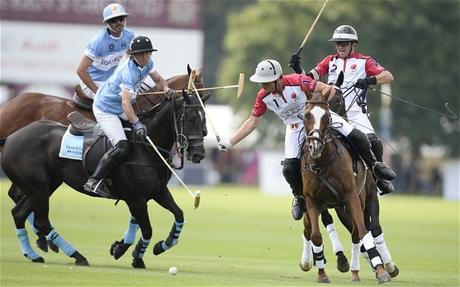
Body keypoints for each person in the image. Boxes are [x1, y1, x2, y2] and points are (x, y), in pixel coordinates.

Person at [218, 59, 395, 220]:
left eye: (266, 82)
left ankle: (375, 167)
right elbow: (251, 123)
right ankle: (299, 197)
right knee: (289, 168)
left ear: (278, 78)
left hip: (316, 118)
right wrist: (230, 142)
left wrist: (330, 95)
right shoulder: (263, 97)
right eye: (261, 83)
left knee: (358, 136)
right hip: (294, 127)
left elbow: (325, 89)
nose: (263, 86)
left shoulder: (298, 81)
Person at [289, 24, 396, 195]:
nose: (340, 47)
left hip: (355, 113)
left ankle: (378, 177)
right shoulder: (329, 61)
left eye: (344, 43)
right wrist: (297, 69)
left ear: (353, 44)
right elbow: (308, 80)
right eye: (338, 43)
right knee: (302, 143)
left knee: (373, 141)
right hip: (329, 111)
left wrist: (369, 80)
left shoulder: (364, 61)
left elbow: (388, 76)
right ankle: (300, 193)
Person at [83, 35, 174, 197]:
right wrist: (137, 123)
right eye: (141, 54)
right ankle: (94, 180)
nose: (146, 57)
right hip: (106, 108)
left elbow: (159, 79)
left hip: (120, 105)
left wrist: (166, 88)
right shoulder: (128, 72)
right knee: (122, 145)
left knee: (144, 130)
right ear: (133, 55)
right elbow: (126, 104)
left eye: (148, 53)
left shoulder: (148, 63)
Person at [76, 3, 135, 99]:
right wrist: (98, 92)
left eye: (121, 19)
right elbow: (80, 70)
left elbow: (131, 56)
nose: (118, 22)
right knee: (115, 102)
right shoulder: (98, 41)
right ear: (107, 23)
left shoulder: (129, 35)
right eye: (113, 20)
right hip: (93, 83)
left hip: (110, 82)